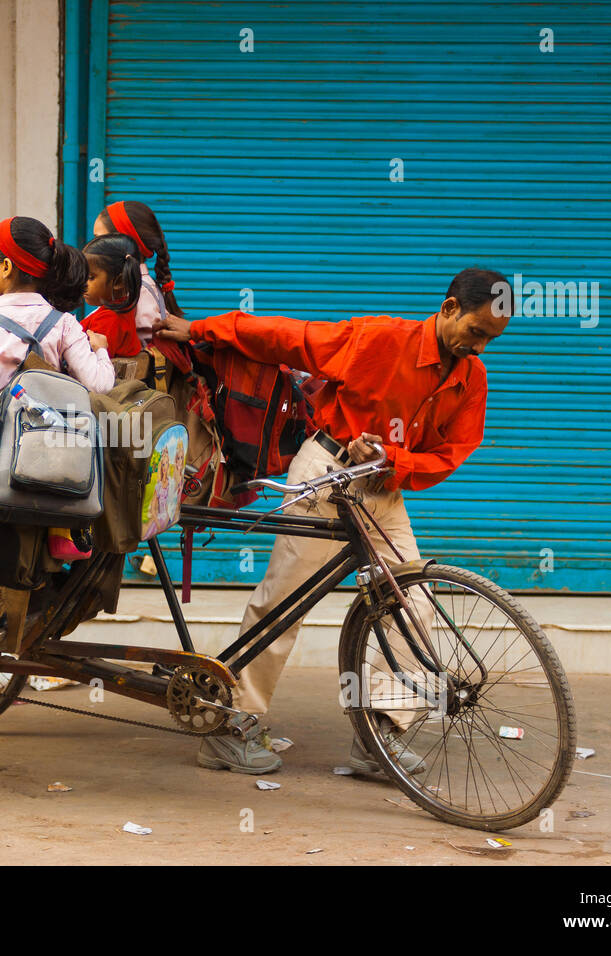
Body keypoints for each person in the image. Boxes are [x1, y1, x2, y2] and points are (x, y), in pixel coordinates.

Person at [155, 267, 511, 774]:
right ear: (450, 308)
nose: (479, 348)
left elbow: (454, 451)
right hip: (326, 473)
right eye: (476, 333)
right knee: (284, 605)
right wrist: (202, 329)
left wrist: (396, 459)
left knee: (414, 600)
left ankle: (378, 736)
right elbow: (286, 338)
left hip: (383, 490)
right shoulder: (379, 339)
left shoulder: (470, 378)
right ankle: (230, 723)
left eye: (490, 341)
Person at [0, 216, 114, 440]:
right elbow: (99, 386)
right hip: (53, 453)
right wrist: (101, 350)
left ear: (6, 267)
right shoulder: (64, 324)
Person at [92, 200, 182, 345]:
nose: (93, 247)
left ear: (124, 243)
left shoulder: (136, 293)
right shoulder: (135, 287)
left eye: (99, 239)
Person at [80, 232, 144, 357]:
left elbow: (92, 364)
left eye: (91, 277)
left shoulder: (108, 320)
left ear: (119, 282)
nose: (83, 283)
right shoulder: (124, 308)